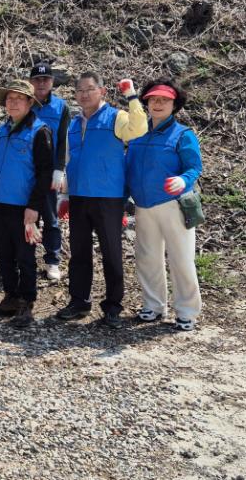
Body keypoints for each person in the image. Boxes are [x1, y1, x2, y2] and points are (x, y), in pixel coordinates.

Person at [56, 72, 147, 329]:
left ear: (102, 92)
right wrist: (65, 195)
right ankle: (79, 301)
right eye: (80, 90)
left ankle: (113, 306)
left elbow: (139, 128)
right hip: (80, 196)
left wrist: (131, 96)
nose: (84, 94)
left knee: (111, 253)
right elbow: (69, 162)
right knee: (80, 252)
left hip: (108, 197)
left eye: (90, 89)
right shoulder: (74, 124)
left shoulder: (116, 117)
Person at [0, 80, 53, 328]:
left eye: (19, 98)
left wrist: (34, 207)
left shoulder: (40, 131)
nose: (13, 102)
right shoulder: (2, 129)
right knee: (3, 254)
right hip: (1, 202)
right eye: (9, 99)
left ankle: (27, 303)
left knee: (25, 256)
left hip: (24, 206)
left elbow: (45, 173)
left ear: (30, 103)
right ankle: (11, 296)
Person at [125, 78, 203, 331]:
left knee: (181, 259)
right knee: (147, 258)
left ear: (174, 104)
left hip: (174, 206)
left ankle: (187, 311)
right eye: (153, 99)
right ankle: (153, 305)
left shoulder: (183, 134)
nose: (158, 104)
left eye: (164, 100)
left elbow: (194, 167)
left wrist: (183, 180)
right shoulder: (136, 133)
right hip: (144, 206)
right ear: (146, 102)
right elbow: (128, 169)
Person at [29, 62, 70, 281]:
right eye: (37, 79)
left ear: (52, 82)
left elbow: (64, 139)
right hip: (28, 171)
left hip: (50, 172)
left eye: (45, 79)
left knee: (51, 218)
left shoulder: (61, 107)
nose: (41, 83)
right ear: (31, 82)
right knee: (28, 216)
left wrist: (60, 169)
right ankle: (26, 258)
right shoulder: (25, 102)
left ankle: (52, 260)